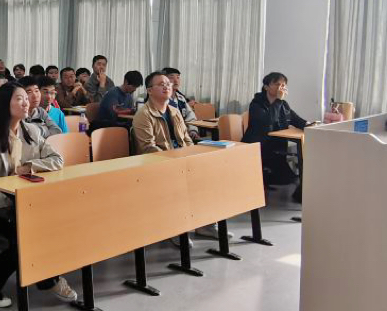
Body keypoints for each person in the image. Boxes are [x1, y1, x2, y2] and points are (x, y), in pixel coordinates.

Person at [0, 83, 77, 307]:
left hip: (23, 202)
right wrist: (10, 203)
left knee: (45, 225)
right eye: (20, 98)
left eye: (26, 99)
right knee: (25, 234)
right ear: (5, 104)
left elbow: (57, 160)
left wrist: (29, 167)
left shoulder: (32, 131)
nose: (26, 103)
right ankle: (41, 280)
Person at [132, 71, 224, 240]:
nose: (167, 86)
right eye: (161, 84)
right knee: (178, 182)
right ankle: (174, 229)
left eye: (168, 83)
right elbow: (148, 149)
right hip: (157, 165)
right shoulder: (143, 115)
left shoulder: (175, 112)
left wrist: (193, 158)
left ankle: (206, 225)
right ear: (149, 90)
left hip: (180, 160)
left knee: (209, 175)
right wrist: (176, 162)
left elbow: (187, 140)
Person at [242, 72, 311, 189]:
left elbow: (296, 119)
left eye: (283, 85)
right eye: (277, 84)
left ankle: (268, 179)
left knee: (292, 178)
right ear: (266, 87)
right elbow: (268, 120)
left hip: (277, 147)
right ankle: (260, 179)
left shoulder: (283, 105)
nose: (281, 87)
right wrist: (278, 100)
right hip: (260, 146)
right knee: (288, 179)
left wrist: (309, 125)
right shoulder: (256, 104)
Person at [163, 67, 199, 141]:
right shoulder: (161, 99)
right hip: (168, 138)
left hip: (184, 136)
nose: (176, 81)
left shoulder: (181, 98)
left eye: (178, 77)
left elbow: (190, 116)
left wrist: (193, 130)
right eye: (171, 77)